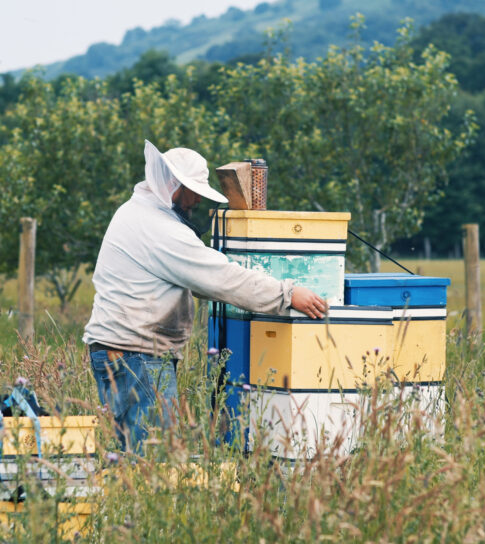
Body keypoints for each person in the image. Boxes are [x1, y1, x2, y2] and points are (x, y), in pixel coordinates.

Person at [83, 140, 329, 452]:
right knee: (155, 460)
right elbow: (221, 278)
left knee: (135, 454)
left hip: (123, 351)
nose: (196, 199)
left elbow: (199, 281)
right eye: (193, 190)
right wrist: (288, 295)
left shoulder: (135, 212)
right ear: (174, 185)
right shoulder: (160, 229)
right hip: (137, 355)